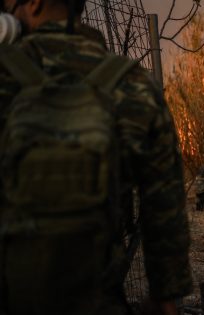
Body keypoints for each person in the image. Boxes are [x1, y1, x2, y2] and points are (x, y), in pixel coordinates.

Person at [0, 1, 192, 314]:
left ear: (34, 3)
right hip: (97, 299)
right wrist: (166, 294)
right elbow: (165, 206)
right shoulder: (133, 84)